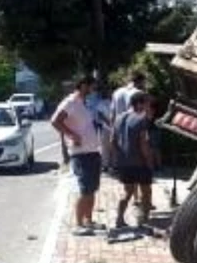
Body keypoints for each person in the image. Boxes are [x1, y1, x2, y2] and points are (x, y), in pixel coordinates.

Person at [52, 76, 103, 236]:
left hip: (92, 151)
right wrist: (72, 135)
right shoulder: (70, 102)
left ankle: (89, 221)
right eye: (90, 87)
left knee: (92, 189)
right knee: (85, 189)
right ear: (82, 86)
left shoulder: (83, 102)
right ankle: (79, 225)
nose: (92, 90)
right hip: (81, 154)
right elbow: (55, 121)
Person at [109, 91, 156, 237]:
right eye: (146, 103)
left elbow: (112, 141)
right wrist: (149, 161)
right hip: (140, 163)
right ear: (140, 104)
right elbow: (143, 144)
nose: (148, 106)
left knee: (127, 192)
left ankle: (119, 219)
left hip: (124, 162)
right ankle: (144, 220)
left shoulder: (119, 118)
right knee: (146, 192)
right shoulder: (141, 119)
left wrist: (120, 157)